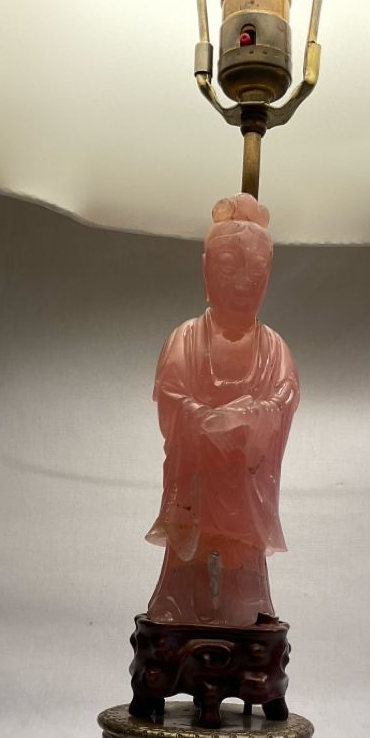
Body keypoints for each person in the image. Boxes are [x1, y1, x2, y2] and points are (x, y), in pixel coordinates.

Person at [145, 193, 299, 628]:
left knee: (242, 555)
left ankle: (245, 613)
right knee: (189, 550)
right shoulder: (186, 338)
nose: (242, 282)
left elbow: (285, 397)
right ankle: (178, 605)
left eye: (256, 271)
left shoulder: (274, 348)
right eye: (228, 268)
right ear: (206, 272)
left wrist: (247, 419)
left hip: (243, 482)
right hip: (198, 479)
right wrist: (204, 420)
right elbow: (171, 396)